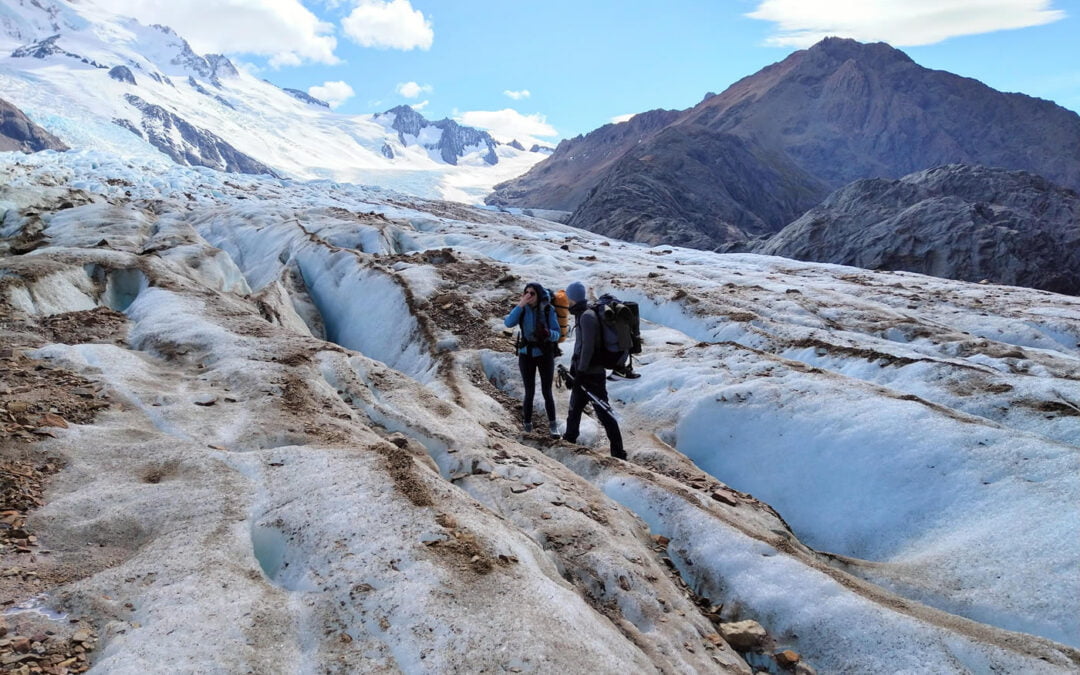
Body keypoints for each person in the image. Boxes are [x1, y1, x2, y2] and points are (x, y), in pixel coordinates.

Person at [561, 281, 626, 459]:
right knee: (574, 409)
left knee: (604, 413)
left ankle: (618, 452)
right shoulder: (581, 314)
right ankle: (569, 440)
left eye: (568, 297)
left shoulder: (586, 317)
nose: (567, 300)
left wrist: (580, 372)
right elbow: (581, 347)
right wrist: (574, 371)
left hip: (592, 374)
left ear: (573, 297)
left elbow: (588, 347)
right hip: (583, 372)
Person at [504, 282, 561, 435]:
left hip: (545, 354)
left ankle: (553, 426)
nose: (529, 295)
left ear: (539, 295)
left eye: (532, 293)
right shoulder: (522, 310)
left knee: (546, 391)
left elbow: (558, 333)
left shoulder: (549, 309)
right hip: (526, 353)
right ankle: (527, 425)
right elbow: (509, 323)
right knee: (529, 391)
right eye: (526, 292)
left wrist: (548, 333)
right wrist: (521, 304)